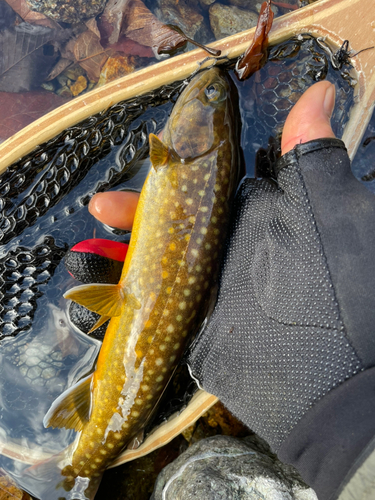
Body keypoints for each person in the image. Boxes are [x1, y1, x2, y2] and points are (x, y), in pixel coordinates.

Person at [86, 81, 375, 500]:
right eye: (211, 95)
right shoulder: (180, 156)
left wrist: (341, 418)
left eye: (211, 97)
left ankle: (82, 469)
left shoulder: (170, 156)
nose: (208, 89)